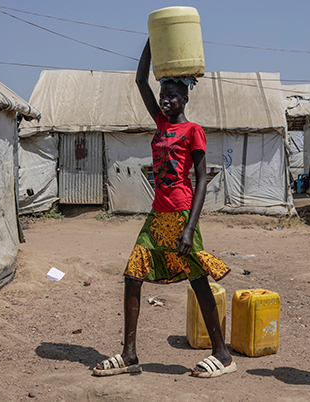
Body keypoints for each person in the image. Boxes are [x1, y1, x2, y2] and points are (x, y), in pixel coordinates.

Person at [93, 39, 235, 378]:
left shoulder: (192, 131)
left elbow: (202, 179)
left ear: (185, 99)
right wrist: (152, 41)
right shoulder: (160, 124)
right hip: (158, 216)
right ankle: (129, 354)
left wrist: (189, 227)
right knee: (132, 275)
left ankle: (223, 353)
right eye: (163, 96)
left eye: (172, 96)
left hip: (183, 214)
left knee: (198, 280)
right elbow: (141, 81)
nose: (166, 100)